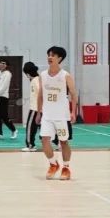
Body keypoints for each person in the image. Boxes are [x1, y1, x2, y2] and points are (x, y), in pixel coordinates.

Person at [38, 47, 77, 180]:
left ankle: (66, 168)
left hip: (61, 116)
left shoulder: (65, 75)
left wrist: (73, 112)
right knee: (44, 140)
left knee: (63, 142)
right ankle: (53, 164)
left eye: (53, 55)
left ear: (59, 58)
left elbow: (73, 94)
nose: (50, 57)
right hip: (47, 115)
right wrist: (39, 112)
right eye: (49, 55)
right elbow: (40, 95)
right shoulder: (43, 75)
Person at [0, 60, 16, 140]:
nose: (2, 64)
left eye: (4, 63)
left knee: (4, 116)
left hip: (3, 97)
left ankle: (14, 130)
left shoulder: (8, 74)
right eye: (1, 63)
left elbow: (4, 87)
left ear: (6, 65)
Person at [22, 61, 41, 152]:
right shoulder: (40, 79)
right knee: (45, 129)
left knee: (30, 127)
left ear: (28, 73)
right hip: (42, 109)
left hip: (35, 109)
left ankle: (30, 145)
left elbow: (40, 93)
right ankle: (58, 143)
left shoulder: (34, 81)